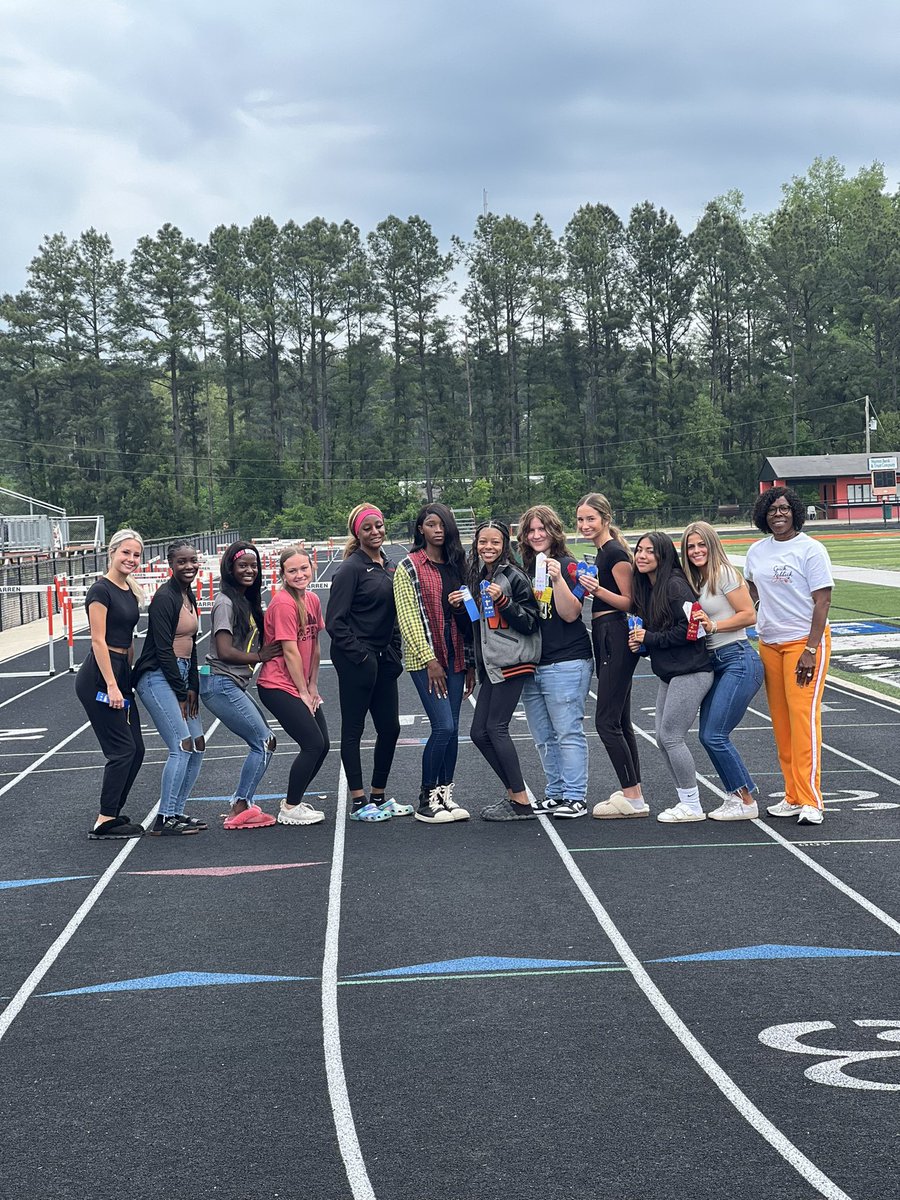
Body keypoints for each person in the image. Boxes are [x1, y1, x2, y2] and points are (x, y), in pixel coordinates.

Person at [743, 487, 833, 826]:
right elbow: (751, 593)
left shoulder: (811, 550)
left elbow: (822, 601)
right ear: (763, 515)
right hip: (770, 643)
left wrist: (811, 649)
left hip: (803, 644)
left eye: (783, 508)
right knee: (781, 724)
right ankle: (793, 795)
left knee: (803, 720)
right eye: (771, 509)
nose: (778, 514)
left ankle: (812, 800)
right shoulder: (756, 551)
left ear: (795, 511)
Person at [450, 519, 541, 822]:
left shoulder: (514, 576)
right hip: (491, 663)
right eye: (482, 542)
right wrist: (460, 607)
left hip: (513, 660)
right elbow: (477, 625)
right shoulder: (479, 575)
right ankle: (515, 793)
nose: (488, 548)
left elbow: (530, 621)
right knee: (479, 732)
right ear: (475, 545)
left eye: (495, 543)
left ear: (505, 545)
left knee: (495, 728)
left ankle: (521, 800)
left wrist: (503, 601)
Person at [326, 504, 411, 823]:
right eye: (368, 528)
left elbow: (396, 615)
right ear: (357, 533)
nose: (375, 531)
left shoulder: (389, 566)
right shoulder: (350, 569)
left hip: (383, 659)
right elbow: (334, 621)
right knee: (354, 729)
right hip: (356, 661)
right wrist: (361, 655)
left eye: (379, 525)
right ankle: (359, 802)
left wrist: (393, 650)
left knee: (390, 728)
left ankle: (378, 795)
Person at [394, 503, 474, 824]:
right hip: (427, 660)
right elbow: (408, 617)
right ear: (420, 529)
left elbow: (472, 618)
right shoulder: (409, 567)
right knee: (443, 726)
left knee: (453, 731)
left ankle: (445, 793)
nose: (438, 530)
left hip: (456, 655)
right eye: (430, 524)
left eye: (443, 524)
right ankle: (426, 798)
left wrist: (471, 664)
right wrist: (429, 660)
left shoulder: (459, 565)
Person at [681, 521, 764, 821]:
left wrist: (714, 625)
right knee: (708, 734)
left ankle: (744, 799)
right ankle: (737, 795)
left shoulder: (725, 574)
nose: (696, 550)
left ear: (712, 545)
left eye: (701, 544)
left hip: (738, 659)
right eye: (691, 546)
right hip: (714, 662)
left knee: (715, 734)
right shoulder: (697, 580)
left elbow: (749, 615)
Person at [628, 532, 714, 823]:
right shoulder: (648, 588)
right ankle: (686, 800)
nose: (641, 556)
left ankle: (692, 804)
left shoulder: (675, 585)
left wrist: (650, 638)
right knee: (662, 739)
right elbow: (657, 635)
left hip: (691, 670)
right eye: (639, 550)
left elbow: (694, 630)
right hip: (671, 672)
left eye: (649, 551)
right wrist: (641, 644)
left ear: (663, 556)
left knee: (671, 737)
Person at [574, 492, 648, 818]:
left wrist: (596, 590)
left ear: (606, 518)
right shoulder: (603, 551)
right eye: (580, 519)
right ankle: (635, 794)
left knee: (605, 721)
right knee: (619, 719)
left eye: (591, 518)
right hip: (605, 633)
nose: (585, 524)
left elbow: (632, 602)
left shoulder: (615, 553)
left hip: (615, 634)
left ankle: (632, 797)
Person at [517, 504, 592, 818]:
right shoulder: (524, 567)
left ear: (553, 531)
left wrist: (558, 579)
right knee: (543, 737)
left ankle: (575, 796)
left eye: (541, 529)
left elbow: (571, 613)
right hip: (533, 663)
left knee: (567, 732)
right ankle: (556, 792)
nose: (536, 535)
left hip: (566, 661)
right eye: (530, 530)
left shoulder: (568, 565)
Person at [199, 541, 280, 830]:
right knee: (263, 741)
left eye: (253, 565)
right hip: (220, 681)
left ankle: (243, 801)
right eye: (242, 565)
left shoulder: (247, 600)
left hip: (231, 683)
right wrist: (260, 656)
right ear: (230, 568)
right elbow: (224, 650)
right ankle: (240, 805)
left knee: (267, 741)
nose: (249, 570)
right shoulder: (225, 602)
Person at [75, 528, 147, 840]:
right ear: (112, 553)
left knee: (138, 749)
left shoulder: (129, 590)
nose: (131, 559)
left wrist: (126, 679)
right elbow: (98, 641)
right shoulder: (100, 591)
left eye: (136, 554)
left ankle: (113, 812)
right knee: (122, 750)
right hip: (99, 677)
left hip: (120, 672)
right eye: (126, 553)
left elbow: (128, 639)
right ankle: (104, 820)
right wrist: (112, 685)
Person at [133, 540, 207, 836]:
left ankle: (177, 810)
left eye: (193, 560)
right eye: (182, 562)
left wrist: (193, 686)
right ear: (170, 564)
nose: (189, 566)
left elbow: (192, 645)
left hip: (182, 674)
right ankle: (164, 818)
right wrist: (179, 690)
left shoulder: (187, 593)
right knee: (181, 744)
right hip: (157, 676)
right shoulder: (164, 598)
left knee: (198, 744)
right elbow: (163, 650)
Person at [257, 547, 328, 826]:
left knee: (322, 745)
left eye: (304, 569)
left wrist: (312, 686)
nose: (299, 575)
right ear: (283, 574)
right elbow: (290, 652)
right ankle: (290, 807)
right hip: (277, 685)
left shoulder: (312, 599)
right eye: (292, 570)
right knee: (312, 743)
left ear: (312, 569)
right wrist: (302, 692)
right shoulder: (284, 603)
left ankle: (292, 801)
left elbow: (315, 647)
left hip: (301, 684)